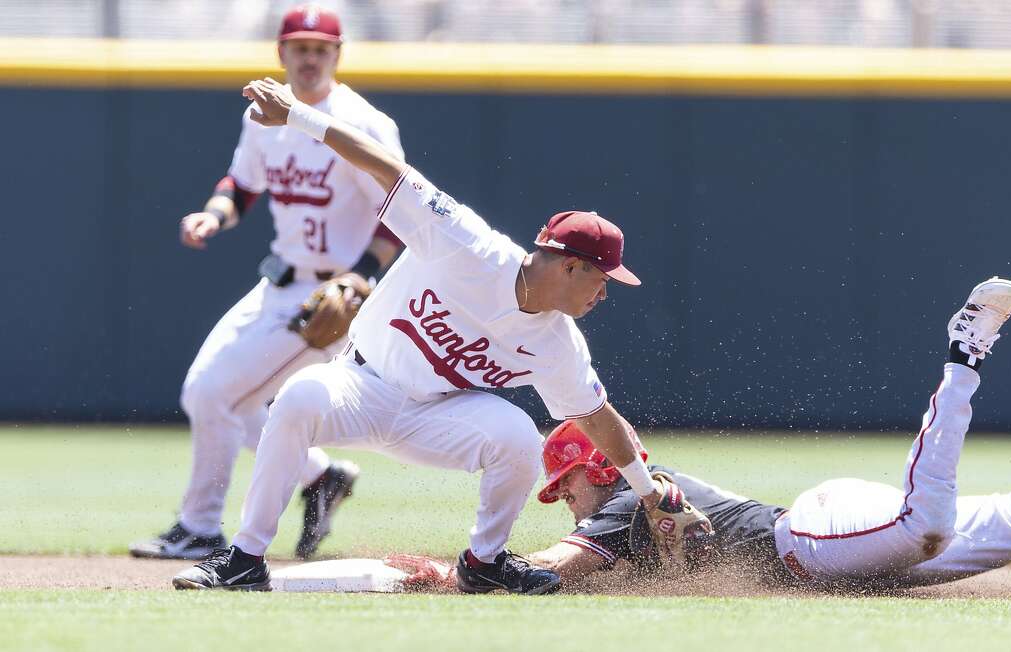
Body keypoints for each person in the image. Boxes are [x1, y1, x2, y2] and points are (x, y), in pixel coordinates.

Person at [171, 74, 680, 595]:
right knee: (299, 394)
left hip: (437, 415)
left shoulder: (558, 341)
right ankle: (244, 557)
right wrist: (297, 117)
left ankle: (483, 562)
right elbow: (383, 164)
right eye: (601, 278)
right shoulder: (467, 244)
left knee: (518, 437)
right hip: (362, 386)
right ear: (571, 267)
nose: (604, 293)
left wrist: (647, 492)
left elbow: (598, 418)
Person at [387, 279, 1011, 593]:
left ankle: (965, 352)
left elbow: (554, 568)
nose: (565, 502)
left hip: (815, 541)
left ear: (592, 469)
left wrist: (460, 574)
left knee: (926, 523)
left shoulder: (624, 505)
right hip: (837, 544)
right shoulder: (627, 507)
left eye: (566, 487)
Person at [131, 4, 405, 562]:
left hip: (332, 297)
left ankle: (201, 526)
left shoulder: (363, 123)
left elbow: (400, 214)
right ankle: (321, 475)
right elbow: (243, 185)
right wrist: (214, 213)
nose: (309, 58)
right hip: (279, 280)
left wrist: (361, 278)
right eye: (299, 48)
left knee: (214, 395)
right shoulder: (263, 114)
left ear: (337, 55)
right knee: (224, 400)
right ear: (281, 53)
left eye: (320, 49)